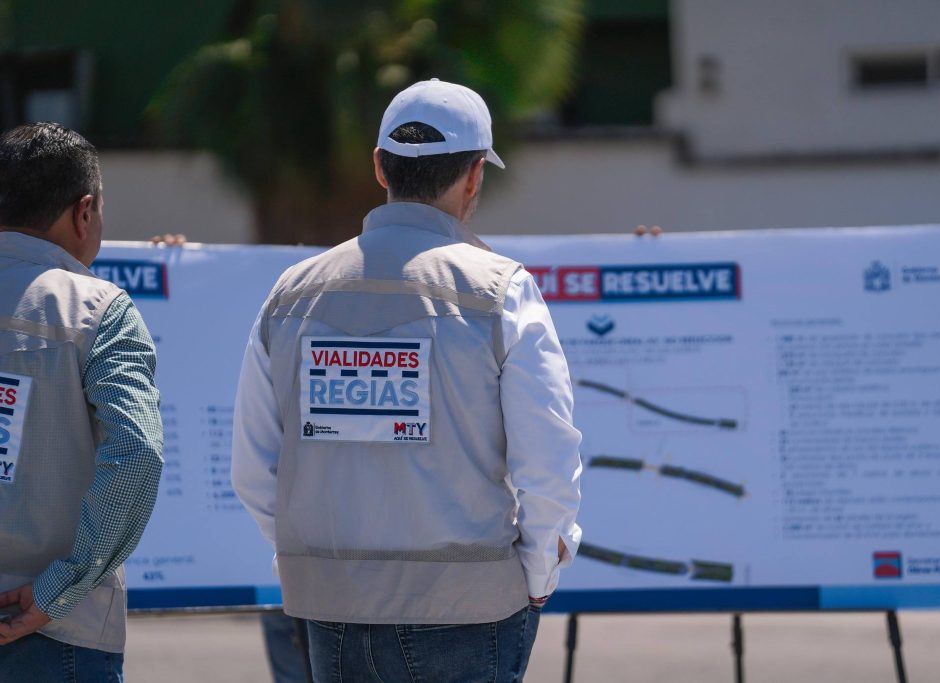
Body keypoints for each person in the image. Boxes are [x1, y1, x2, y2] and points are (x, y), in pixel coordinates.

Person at [232, 79, 582, 682]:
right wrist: (536, 575)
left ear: (379, 167)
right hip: (472, 614)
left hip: (331, 614)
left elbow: (254, 470)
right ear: (475, 175)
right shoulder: (500, 291)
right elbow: (547, 462)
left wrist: (325, 564)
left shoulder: (292, 294)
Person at [0, 122, 164, 682]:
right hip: (56, 636)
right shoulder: (99, 310)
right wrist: (59, 590)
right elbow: (137, 454)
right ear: (84, 211)